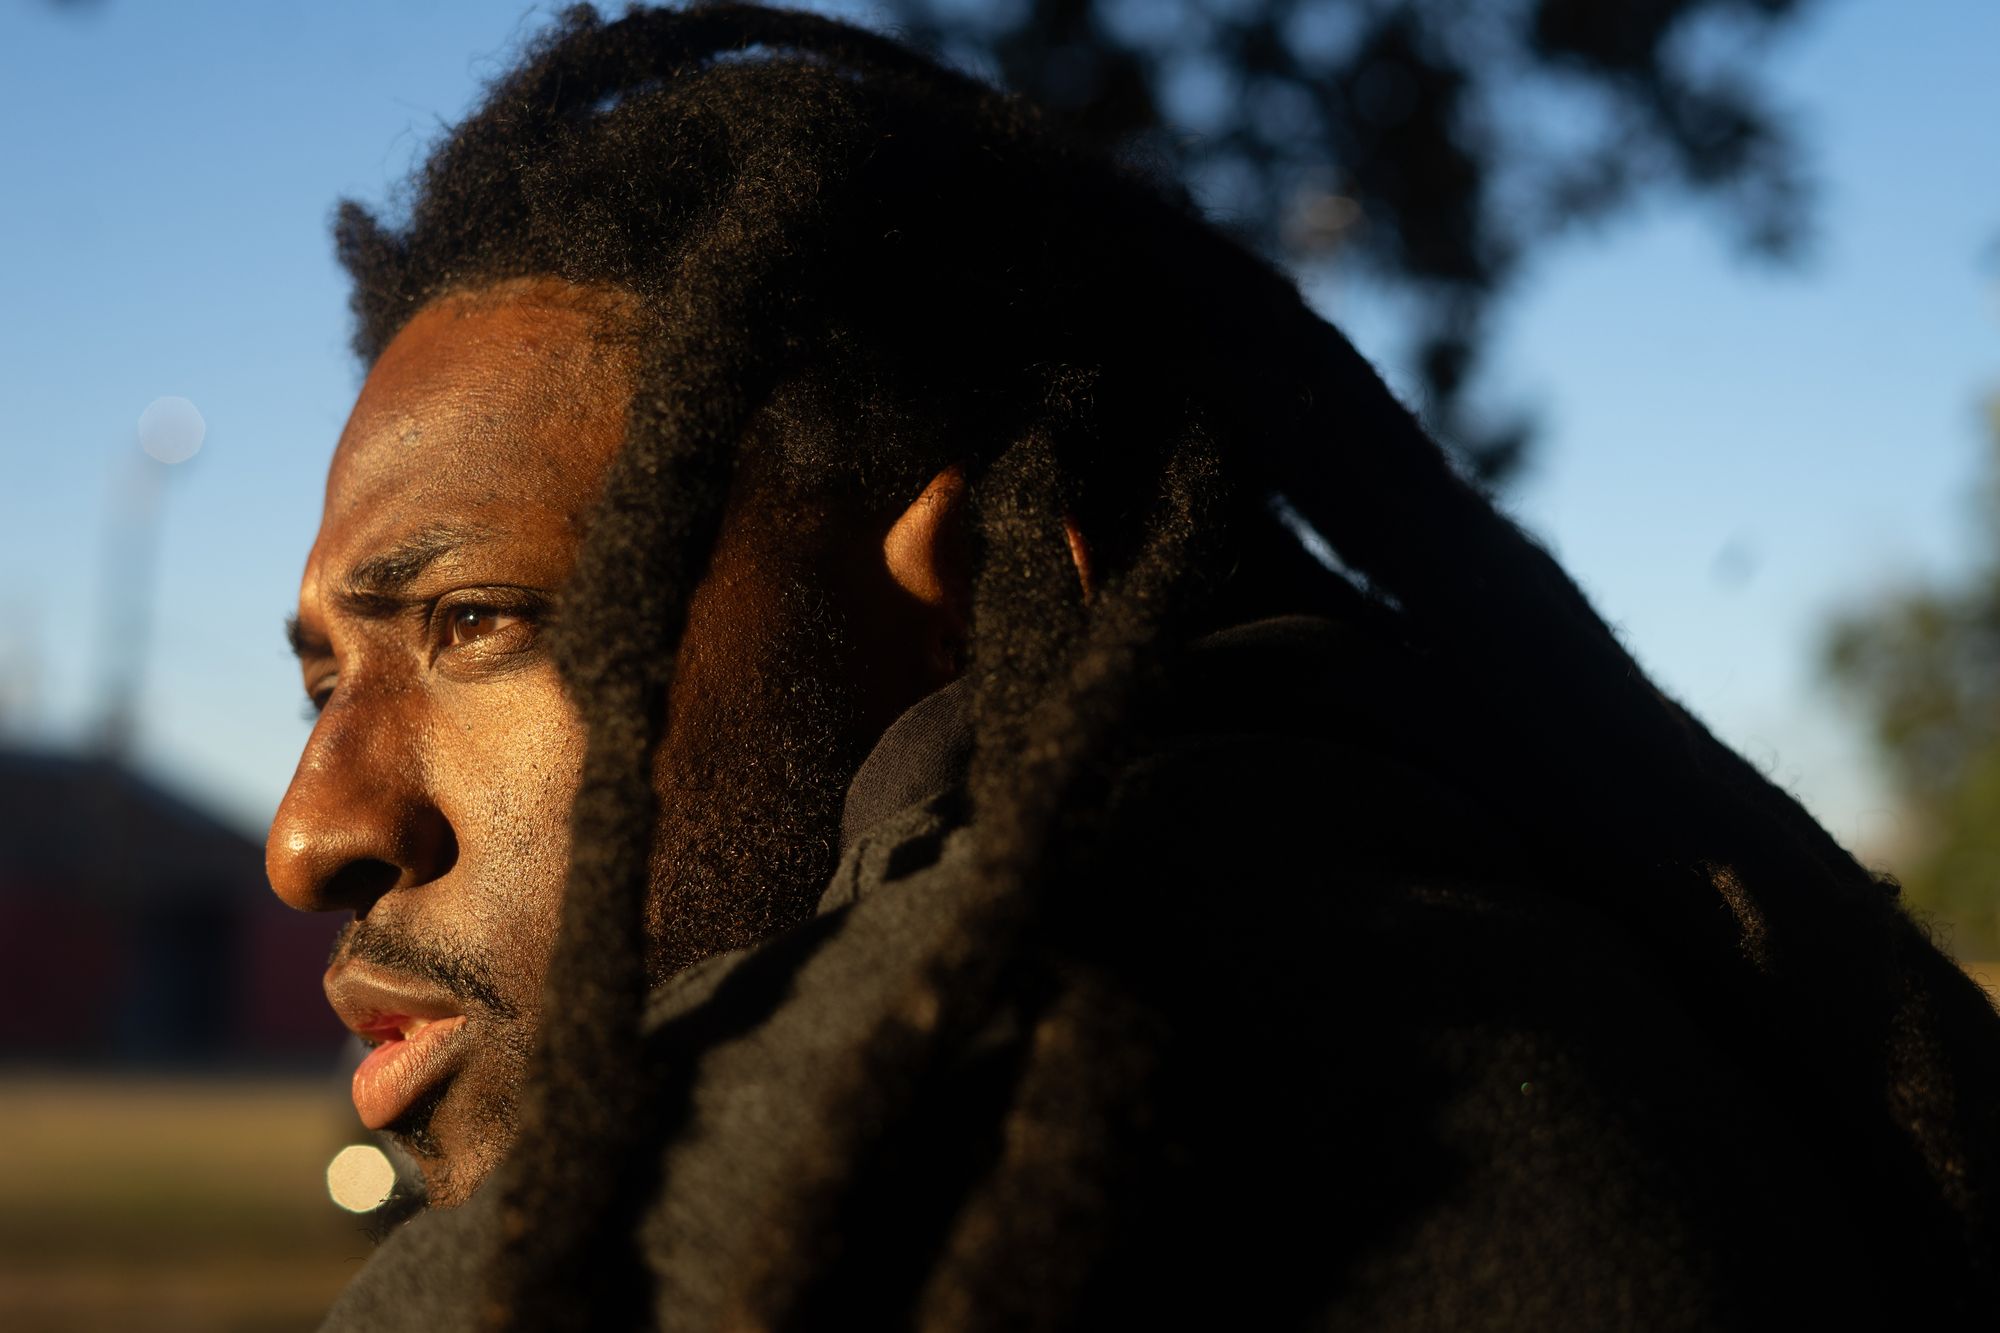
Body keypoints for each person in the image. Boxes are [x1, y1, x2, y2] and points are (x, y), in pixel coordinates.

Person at [266, 5, 2000, 1329]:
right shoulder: (1579, 959)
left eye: (473, 620)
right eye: (319, 680)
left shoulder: (862, 1185)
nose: (309, 829)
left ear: (979, 591)